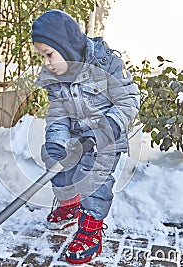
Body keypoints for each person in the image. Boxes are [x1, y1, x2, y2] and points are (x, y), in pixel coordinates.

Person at [31, 9, 139, 264]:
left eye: (49, 55)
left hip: (106, 138)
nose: (46, 62)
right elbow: (58, 114)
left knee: (93, 176)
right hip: (76, 137)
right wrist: (57, 140)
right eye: (42, 56)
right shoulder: (54, 79)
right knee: (55, 159)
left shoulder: (106, 63)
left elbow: (129, 99)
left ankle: (91, 226)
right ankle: (69, 204)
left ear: (66, 48)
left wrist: (110, 126)